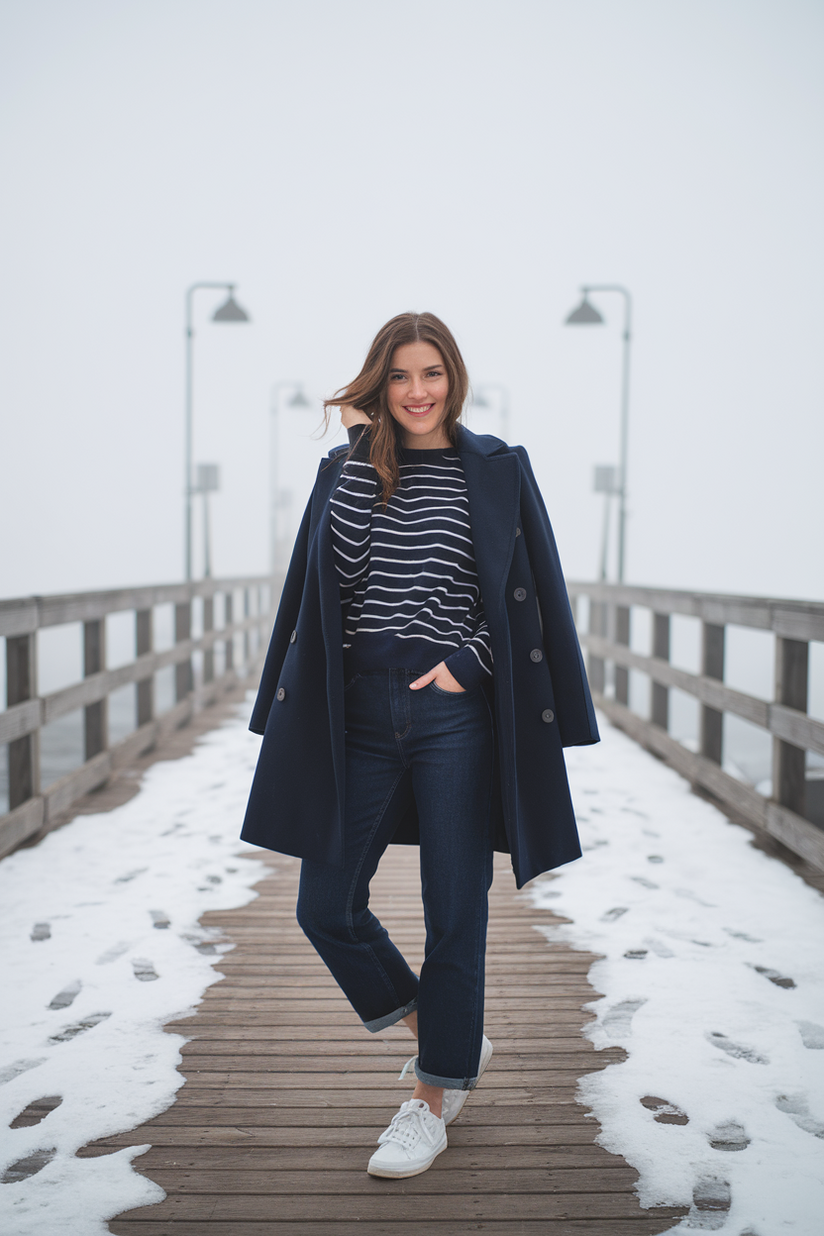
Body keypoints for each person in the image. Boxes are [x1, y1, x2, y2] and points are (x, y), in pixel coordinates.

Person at [241, 311, 599, 1179]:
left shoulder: (497, 471)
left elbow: (524, 598)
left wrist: (466, 666)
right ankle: (447, 1034)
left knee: (455, 911)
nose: (416, 391)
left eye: (431, 373)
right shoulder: (348, 472)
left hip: (452, 717)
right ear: (379, 384)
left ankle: (431, 1098)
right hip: (354, 715)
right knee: (325, 906)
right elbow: (335, 577)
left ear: (454, 377)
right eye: (399, 376)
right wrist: (366, 458)